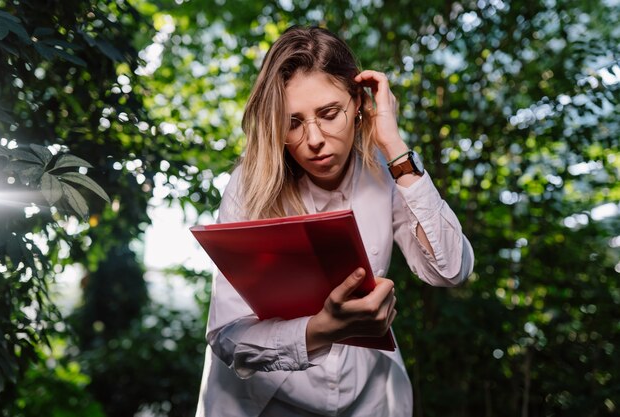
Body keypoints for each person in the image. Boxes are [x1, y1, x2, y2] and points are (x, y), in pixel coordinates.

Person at [195, 25, 474, 417]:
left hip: (369, 397)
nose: (314, 139)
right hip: (267, 402)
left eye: (329, 114)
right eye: (293, 122)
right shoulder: (250, 183)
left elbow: (451, 270)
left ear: (358, 101)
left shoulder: (385, 168)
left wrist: (395, 147)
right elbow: (227, 337)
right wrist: (321, 329)